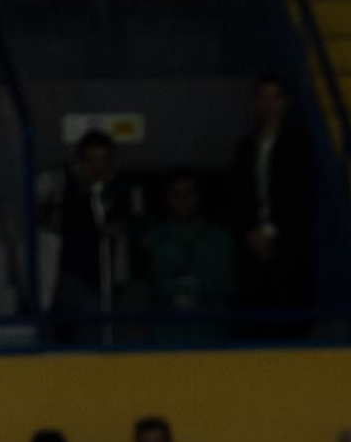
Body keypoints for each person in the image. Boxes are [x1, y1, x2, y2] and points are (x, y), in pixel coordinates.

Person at [230, 75, 313, 325]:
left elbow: (298, 198)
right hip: (250, 245)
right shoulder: (244, 147)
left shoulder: (298, 146)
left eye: (274, 96)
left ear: (285, 102)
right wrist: (249, 231)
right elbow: (237, 195)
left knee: (287, 314)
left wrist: (273, 232)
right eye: (262, 96)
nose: (268, 103)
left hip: (287, 245)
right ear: (255, 102)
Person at [52, 128, 127, 337]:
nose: (97, 167)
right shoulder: (69, 190)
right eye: (91, 160)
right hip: (74, 275)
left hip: (106, 277)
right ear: (81, 161)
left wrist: (116, 229)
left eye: (103, 160)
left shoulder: (117, 191)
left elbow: (127, 223)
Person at [144, 171, 235, 341]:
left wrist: (193, 288)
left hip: (210, 331)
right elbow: (156, 281)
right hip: (166, 333)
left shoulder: (220, 237)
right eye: (176, 194)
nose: (183, 200)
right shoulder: (155, 238)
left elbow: (225, 281)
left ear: (199, 197)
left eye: (189, 193)